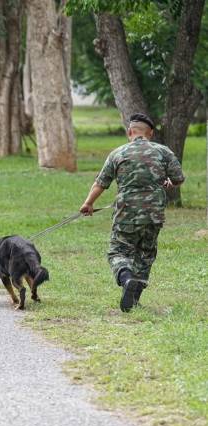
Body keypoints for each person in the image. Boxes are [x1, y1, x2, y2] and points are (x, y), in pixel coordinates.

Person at [79, 113, 185, 312]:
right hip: (154, 214)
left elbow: (101, 183)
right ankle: (134, 300)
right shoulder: (163, 151)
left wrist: (88, 204)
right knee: (145, 254)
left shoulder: (118, 153)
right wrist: (168, 183)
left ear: (130, 132)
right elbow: (178, 178)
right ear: (150, 133)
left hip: (126, 213)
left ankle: (126, 279)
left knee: (118, 251)